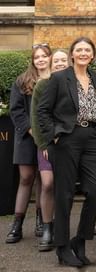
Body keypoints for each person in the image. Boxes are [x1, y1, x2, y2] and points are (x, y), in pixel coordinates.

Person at [35, 37, 96, 267]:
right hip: (66, 139)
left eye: (88, 50)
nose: (84, 53)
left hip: (92, 139)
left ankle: (80, 239)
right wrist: (52, 136)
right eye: (79, 50)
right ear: (72, 54)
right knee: (64, 195)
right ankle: (62, 247)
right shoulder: (59, 78)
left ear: (92, 55)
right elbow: (42, 110)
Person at [7, 43, 51, 245]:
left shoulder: (56, 80)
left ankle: (42, 221)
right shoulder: (22, 81)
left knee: (44, 180)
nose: (41, 59)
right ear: (33, 60)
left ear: (50, 57)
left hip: (48, 139)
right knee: (26, 178)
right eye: (37, 57)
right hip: (25, 136)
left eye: (44, 56)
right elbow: (15, 110)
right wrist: (31, 130)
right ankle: (17, 224)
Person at [30, 48, 70, 252]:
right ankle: (47, 227)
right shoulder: (42, 85)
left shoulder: (75, 85)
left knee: (65, 187)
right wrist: (44, 144)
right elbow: (36, 119)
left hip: (70, 145)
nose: (61, 63)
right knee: (47, 184)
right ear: (51, 64)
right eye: (57, 61)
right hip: (47, 144)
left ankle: (62, 230)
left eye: (64, 60)